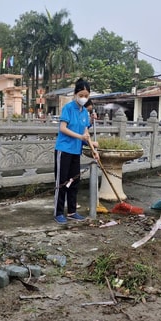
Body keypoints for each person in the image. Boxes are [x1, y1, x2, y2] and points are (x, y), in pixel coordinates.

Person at [54, 78, 99, 225]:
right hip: (64, 149)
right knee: (62, 182)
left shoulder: (85, 112)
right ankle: (59, 212)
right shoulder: (68, 108)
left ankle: (72, 211)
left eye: (86, 96)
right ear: (75, 94)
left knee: (74, 181)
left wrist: (92, 145)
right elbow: (63, 128)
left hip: (76, 151)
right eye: (81, 95)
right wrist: (80, 136)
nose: (84, 98)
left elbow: (85, 132)